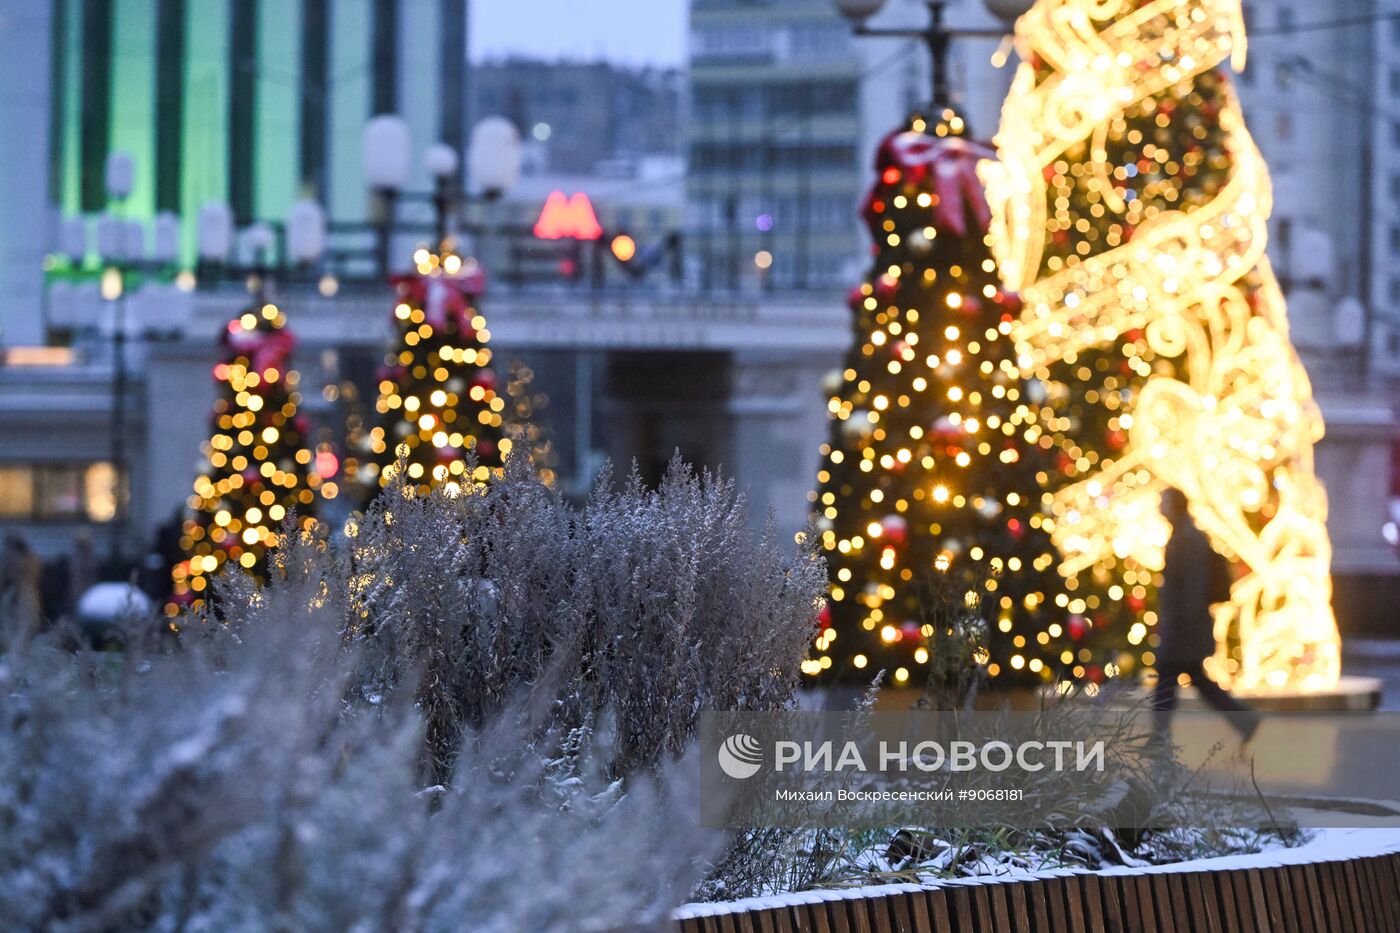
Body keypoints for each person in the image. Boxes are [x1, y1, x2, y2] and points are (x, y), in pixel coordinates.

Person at [1151, 488, 1259, 741]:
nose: (1160, 507)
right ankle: (1244, 720)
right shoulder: (1183, 536)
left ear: (1175, 505)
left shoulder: (1187, 539)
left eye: (1163, 502)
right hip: (1186, 625)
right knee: (1197, 681)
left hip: (1185, 627)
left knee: (1167, 682)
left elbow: (1192, 586)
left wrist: (1180, 623)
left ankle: (1159, 737)